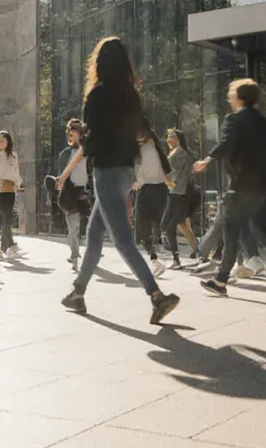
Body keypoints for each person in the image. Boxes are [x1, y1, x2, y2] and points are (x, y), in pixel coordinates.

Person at [59, 37, 181, 323]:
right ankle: (78, 292)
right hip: (126, 170)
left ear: (98, 63)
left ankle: (156, 296)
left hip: (106, 171)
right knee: (94, 234)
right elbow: (143, 129)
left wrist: (82, 153)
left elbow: (94, 136)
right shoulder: (129, 94)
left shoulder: (97, 95)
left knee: (123, 240)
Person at [194, 80, 266, 298]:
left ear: (239, 96)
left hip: (241, 186)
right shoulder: (265, 125)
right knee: (265, 233)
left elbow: (227, 144)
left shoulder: (234, 120)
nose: (228, 98)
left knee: (230, 228)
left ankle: (220, 280)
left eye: (231, 94)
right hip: (262, 188)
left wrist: (207, 159)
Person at [134, 128, 171, 276]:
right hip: (148, 188)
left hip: (155, 188)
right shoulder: (140, 150)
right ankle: (154, 257)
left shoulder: (154, 149)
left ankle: (156, 255)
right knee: (144, 224)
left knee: (153, 223)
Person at [58, 118, 92, 267]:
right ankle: (74, 255)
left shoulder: (88, 152)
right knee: (73, 226)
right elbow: (61, 175)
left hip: (86, 192)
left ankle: (92, 253)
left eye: (75, 129)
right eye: (69, 130)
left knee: (91, 225)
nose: (71, 132)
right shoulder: (65, 154)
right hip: (71, 193)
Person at [159, 128, 194, 271]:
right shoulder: (176, 152)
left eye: (171, 137)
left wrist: (161, 179)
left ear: (179, 139)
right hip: (175, 193)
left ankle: (176, 258)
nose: (168, 140)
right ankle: (177, 258)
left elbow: (175, 173)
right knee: (171, 225)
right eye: (167, 137)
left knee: (167, 225)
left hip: (176, 193)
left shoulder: (180, 154)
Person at [0, 130, 23, 260]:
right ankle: (9, 246)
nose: (1, 142)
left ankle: (1, 245)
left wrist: (18, 183)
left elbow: (16, 172)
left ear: (8, 141)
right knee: (5, 216)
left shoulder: (13, 155)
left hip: (10, 190)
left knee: (6, 218)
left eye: (3, 140)